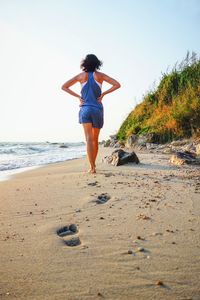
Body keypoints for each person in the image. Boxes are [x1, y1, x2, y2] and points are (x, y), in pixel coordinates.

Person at [61, 54, 121, 173]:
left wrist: (78, 96)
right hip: (97, 109)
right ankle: (93, 166)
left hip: (85, 109)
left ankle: (92, 167)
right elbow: (117, 84)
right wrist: (104, 93)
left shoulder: (80, 76)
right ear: (97, 63)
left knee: (88, 139)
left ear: (85, 63)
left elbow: (64, 87)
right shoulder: (100, 76)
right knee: (95, 139)